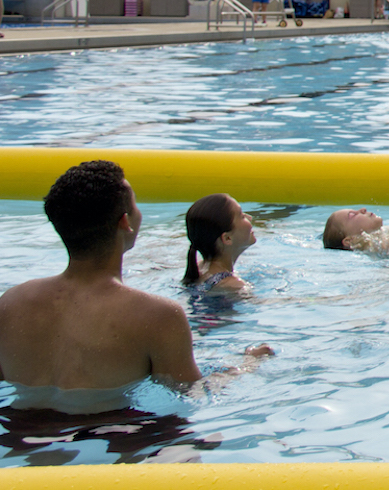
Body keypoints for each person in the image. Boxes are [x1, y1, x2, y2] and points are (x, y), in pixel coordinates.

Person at [0, 161, 270, 413]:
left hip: (19, 437)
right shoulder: (157, 316)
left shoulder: (11, 303)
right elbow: (192, 394)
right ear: (125, 222)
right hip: (113, 439)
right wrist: (248, 365)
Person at [182, 194, 257, 295]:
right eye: (242, 216)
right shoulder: (233, 285)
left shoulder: (198, 268)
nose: (250, 217)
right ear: (227, 238)